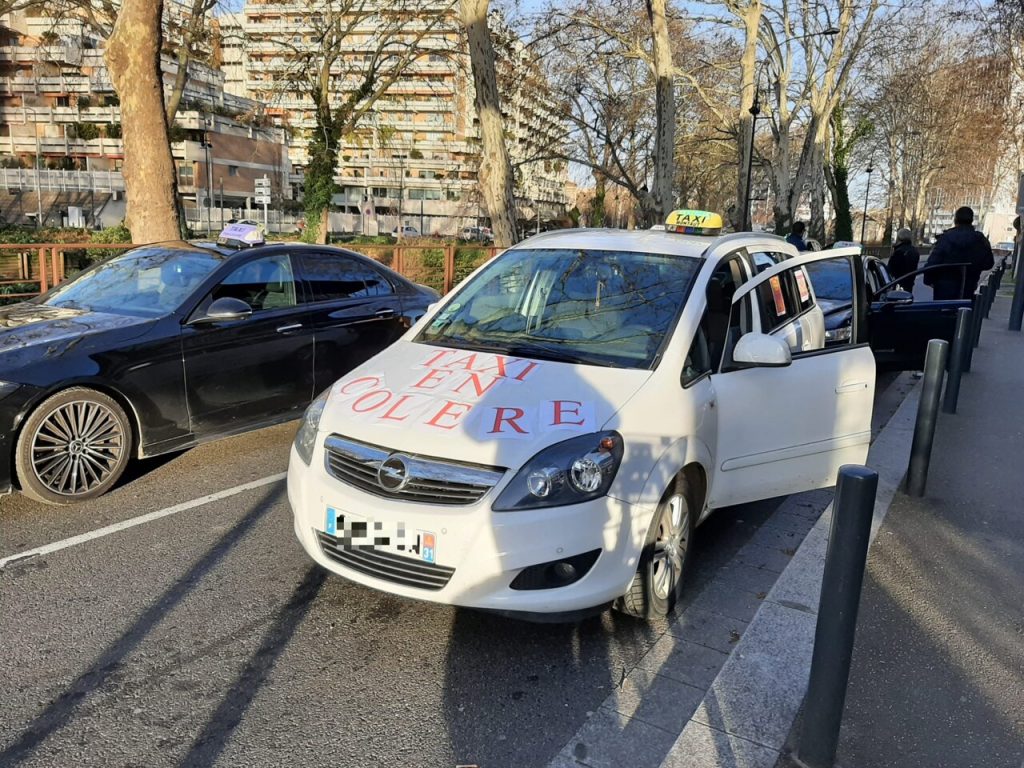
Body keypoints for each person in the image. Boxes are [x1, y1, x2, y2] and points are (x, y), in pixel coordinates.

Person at [924, 206, 994, 300]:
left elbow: (933, 262)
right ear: (972, 220)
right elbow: (988, 263)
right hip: (968, 286)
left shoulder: (946, 238)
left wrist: (929, 280)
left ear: (955, 219)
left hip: (944, 288)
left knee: (943, 312)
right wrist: (973, 268)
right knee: (964, 312)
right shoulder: (980, 240)